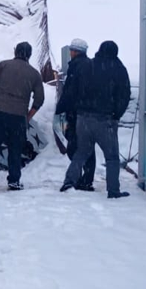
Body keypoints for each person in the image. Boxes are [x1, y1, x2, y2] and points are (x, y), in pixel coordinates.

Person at [60, 41, 131, 198]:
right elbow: (124, 95)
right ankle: (113, 190)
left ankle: (69, 182)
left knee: (81, 152)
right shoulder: (119, 69)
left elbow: (74, 89)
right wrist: (116, 114)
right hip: (105, 120)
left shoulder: (88, 65)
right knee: (112, 157)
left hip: (83, 118)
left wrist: (78, 110)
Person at [0, 41, 45, 191]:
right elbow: (39, 99)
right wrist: (28, 116)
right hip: (18, 116)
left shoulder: (3, 66)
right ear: (29, 55)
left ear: (16, 51)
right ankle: (14, 180)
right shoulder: (34, 74)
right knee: (15, 149)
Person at [55, 38, 96, 191]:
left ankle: (80, 179)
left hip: (76, 113)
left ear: (75, 51)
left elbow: (71, 91)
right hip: (88, 113)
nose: (70, 52)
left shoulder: (77, 67)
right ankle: (86, 178)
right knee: (87, 147)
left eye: (72, 50)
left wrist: (61, 108)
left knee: (74, 146)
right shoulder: (91, 65)